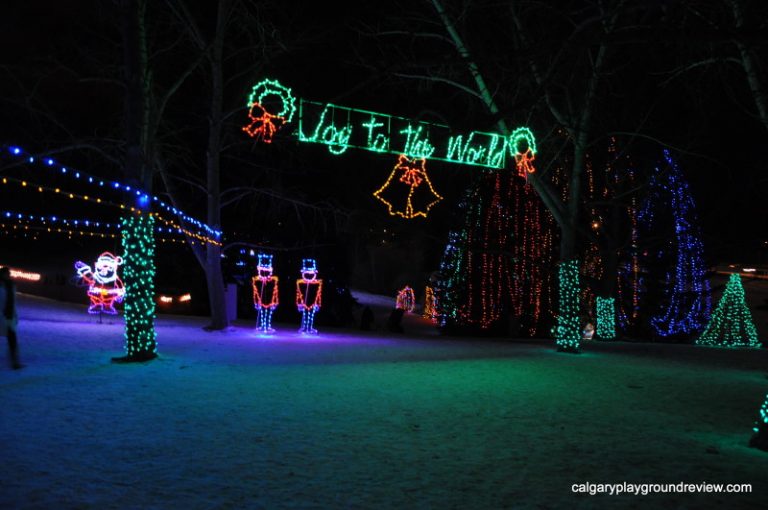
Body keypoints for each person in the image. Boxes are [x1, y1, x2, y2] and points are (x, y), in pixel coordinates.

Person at [0, 267, 21, 369]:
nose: (8, 275)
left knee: (12, 339)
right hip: (2, 315)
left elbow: (13, 302)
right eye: (6, 274)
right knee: (12, 338)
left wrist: (15, 315)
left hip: (9, 316)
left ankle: (15, 362)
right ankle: (15, 362)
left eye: (8, 273)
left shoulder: (11, 285)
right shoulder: (2, 285)